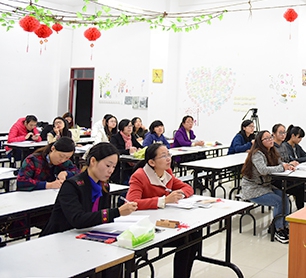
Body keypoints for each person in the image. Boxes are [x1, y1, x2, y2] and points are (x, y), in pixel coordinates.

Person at [41, 143, 138, 275]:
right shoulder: (72, 185)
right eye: (108, 165)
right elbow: (78, 220)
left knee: (116, 259)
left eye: (114, 167)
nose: (111, 171)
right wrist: (117, 212)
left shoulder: (104, 186)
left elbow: (101, 219)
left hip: (87, 236)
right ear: (93, 161)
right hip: (61, 240)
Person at [127, 143, 199, 278]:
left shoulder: (167, 173)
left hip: (163, 220)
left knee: (194, 235)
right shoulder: (139, 176)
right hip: (145, 227)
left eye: (168, 154)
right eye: (163, 156)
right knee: (187, 239)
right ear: (151, 162)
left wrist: (180, 194)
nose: (168, 159)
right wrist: (164, 200)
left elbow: (187, 188)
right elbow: (132, 203)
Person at [241, 130, 294, 244]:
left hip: (266, 186)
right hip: (253, 188)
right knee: (278, 201)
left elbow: (280, 163)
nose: (270, 140)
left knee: (285, 198)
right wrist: (282, 168)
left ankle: (283, 225)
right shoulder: (257, 154)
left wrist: (287, 165)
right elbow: (263, 170)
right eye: (267, 138)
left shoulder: (272, 151)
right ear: (260, 142)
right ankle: (278, 230)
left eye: (270, 137)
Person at [271, 124, 304, 210]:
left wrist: (291, 163)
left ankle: (301, 210)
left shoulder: (284, 145)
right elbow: (275, 163)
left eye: (284, 132)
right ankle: (299, 211)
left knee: (302, 184)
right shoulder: (271, 147)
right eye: (280, 132)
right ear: (274, 134)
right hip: (276, 178)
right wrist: (288, 164)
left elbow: (287, 160)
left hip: (286, 174)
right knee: (299, 188)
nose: (283, 135)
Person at [109, 119, 143, 184]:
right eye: (127, 126)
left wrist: (139, 149)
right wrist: (128, 151)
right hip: (120, 163)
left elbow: (140, 146)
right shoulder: (115, 137)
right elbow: (114, 150)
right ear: (122, 127)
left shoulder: (131, 137)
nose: (130, 128)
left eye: (131, 126)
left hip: (131, 163)